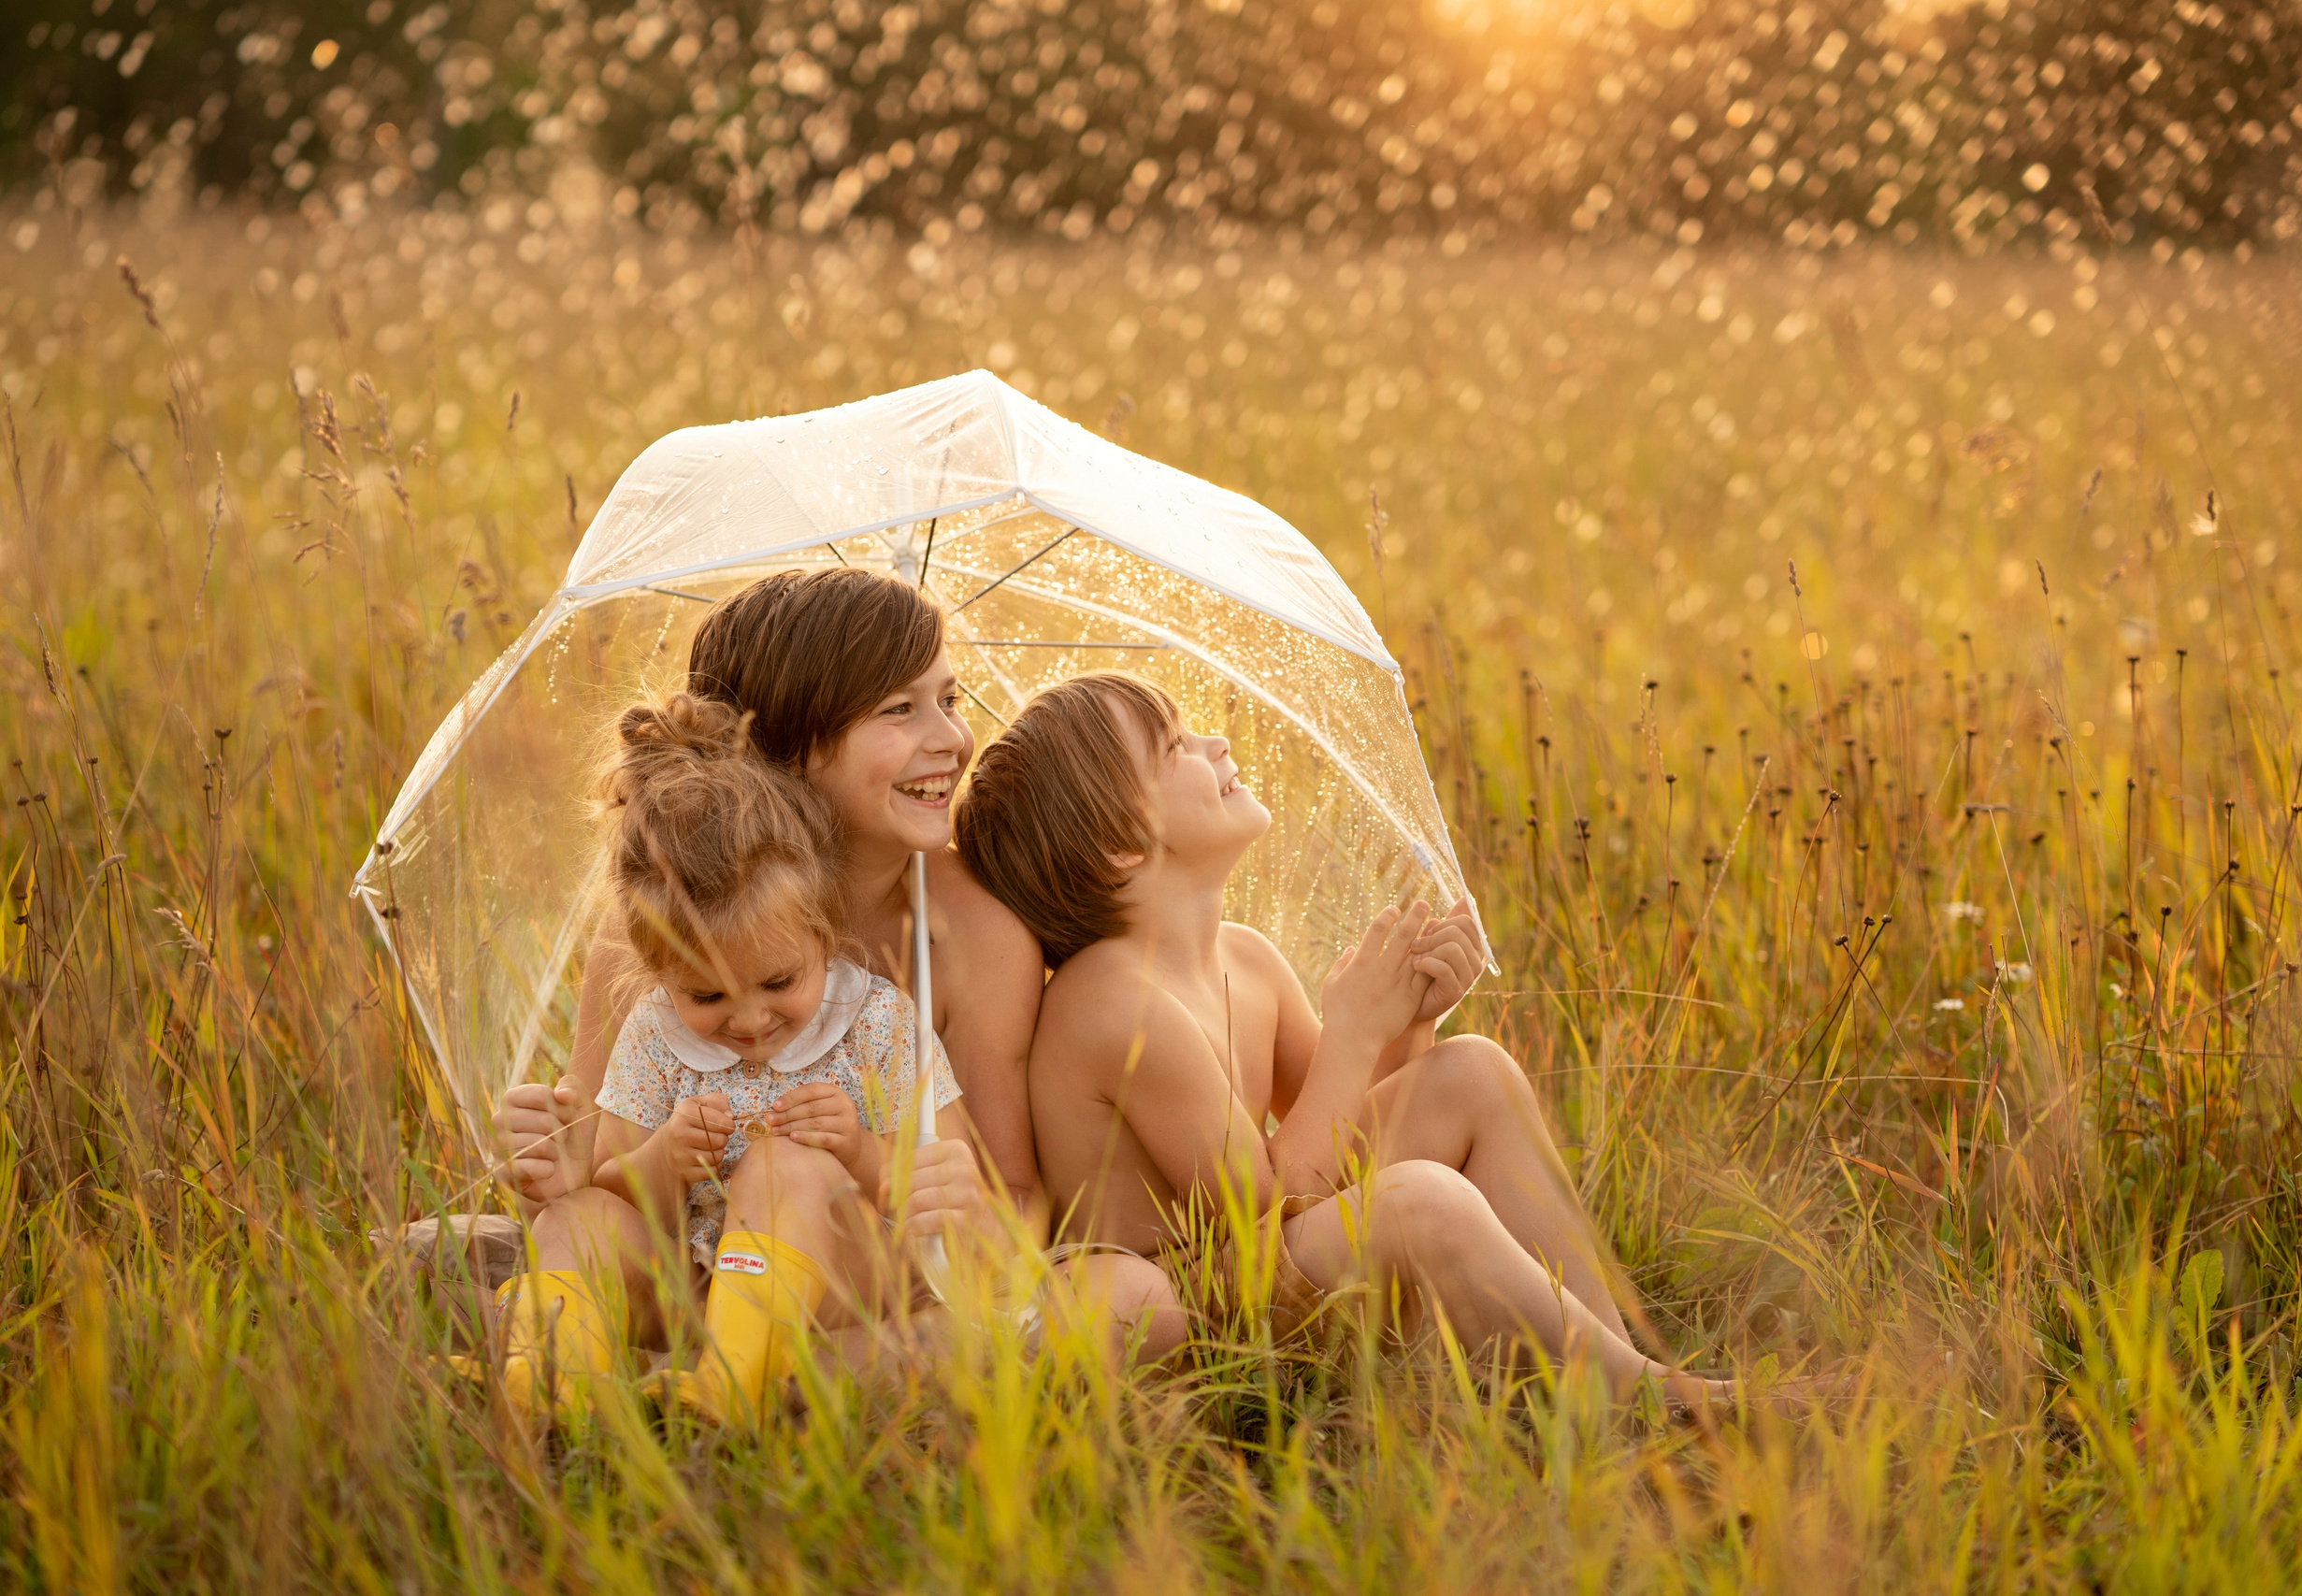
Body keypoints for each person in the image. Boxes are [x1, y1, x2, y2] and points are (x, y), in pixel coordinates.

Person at [954, 673, 1757, 1404]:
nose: (1216, 743)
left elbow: (1341, 1137)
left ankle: (1619, 1359)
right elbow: (1269, 1202)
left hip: (1267, 1269)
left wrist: (1412, 1020)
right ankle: (1664, 1401)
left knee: (1469, 1070)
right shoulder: (1110, 1000)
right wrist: (1352, 1031)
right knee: (1419, 1199)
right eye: (1176, 747)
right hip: (1195, 1314)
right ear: (1120, 843)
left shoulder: (1244, 956)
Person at [491, 568, 1183, 1362]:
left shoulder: (977, 938)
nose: (953, 738)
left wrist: (960, 1193)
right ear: (786, 747)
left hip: (873, 1288)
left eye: (949, 700)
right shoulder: (656, 926)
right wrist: (551, 1158)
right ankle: (669, 1370)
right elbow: (599, 1169)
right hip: (687, 1275)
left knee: (1133, 1307)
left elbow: (1014, 1209)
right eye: (899, 709)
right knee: (560, 1230)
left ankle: (759, 1383)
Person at [489, 693, 991, 1423]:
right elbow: (630, 1198)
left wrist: (856, 1147)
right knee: (575, 1217)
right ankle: (548, 1383)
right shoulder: (658, 1036)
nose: (750, 1018)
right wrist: (666, 1156)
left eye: (780, 981)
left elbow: (937, 1195)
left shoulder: (877, 1023)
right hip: (697, 1290)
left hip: (840, 1289)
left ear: (825, 932)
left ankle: (731, 1390)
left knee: (783, 1167)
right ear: (659, 973)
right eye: (706, 995)